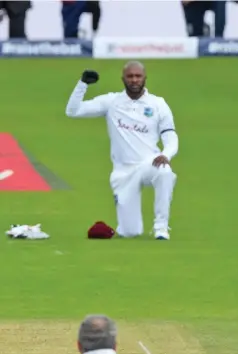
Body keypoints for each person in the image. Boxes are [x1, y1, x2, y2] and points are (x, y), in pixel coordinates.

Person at [65, 61, 178, 241]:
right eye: (130, 76)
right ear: (123, 79)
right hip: (123, 172)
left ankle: (161, 228)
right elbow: (73, 111)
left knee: (165, 172)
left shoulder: (158, 104)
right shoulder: (111, 102)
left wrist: (167, 154)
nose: (134, 80)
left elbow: (170, 135)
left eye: (138, 76)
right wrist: (82, 84)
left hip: (149, 163)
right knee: (130, 232)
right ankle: (127, 224)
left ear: (145, 78)